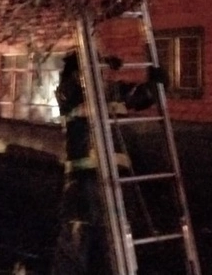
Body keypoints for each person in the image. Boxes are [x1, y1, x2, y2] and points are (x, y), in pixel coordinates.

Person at [52, 51, 166, 274]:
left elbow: (141, 96)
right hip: (83, 184)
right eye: (93, 68)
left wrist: (157, 81)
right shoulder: (69, 93)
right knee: (76, 242)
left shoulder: (114, 91)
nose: (101, 74)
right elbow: (70, 92)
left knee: (113, 244)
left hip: (117, 183)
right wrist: (99, 64)